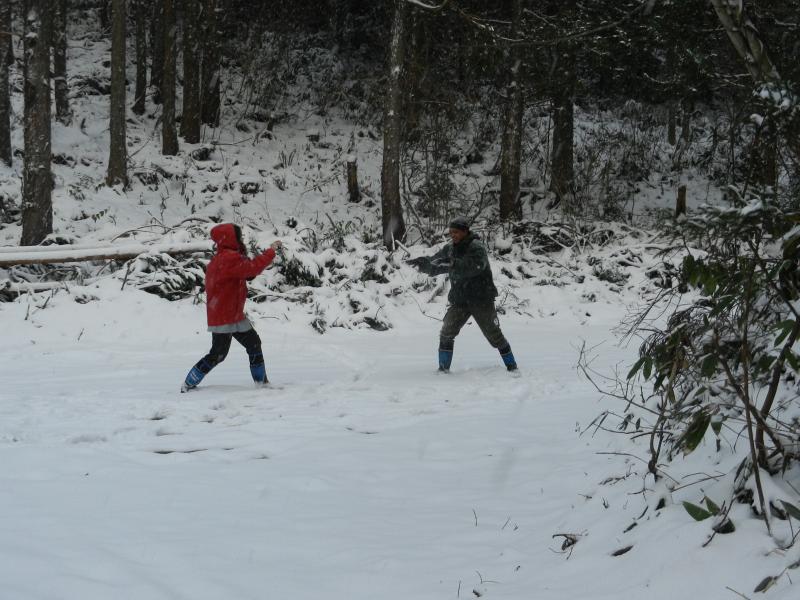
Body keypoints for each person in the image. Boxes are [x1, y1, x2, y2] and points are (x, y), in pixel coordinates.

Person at [407, 216, 518, 373]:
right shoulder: (450, 248)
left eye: (456, 232)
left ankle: (512, 366)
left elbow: (475, 267)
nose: (453, 235)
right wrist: (423, 264)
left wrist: (452, 264)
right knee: (446, 332)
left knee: (494, 336)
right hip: (460, 300)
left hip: (481, 299)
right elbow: (436, 263)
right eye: (451, 232)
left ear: (465, 232)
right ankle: (443, 370)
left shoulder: (477, 247)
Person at [181, 223, 282, 392]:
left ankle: (262, 384)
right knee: (218, 354)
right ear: (231, 239)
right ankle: (188, 384)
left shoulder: (226, 257)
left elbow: (247, 273)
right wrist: (270, 251)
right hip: (223, 315)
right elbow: (252, 268)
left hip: (233, 314)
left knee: (254, 344)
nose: (241, 239)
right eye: (239, 236)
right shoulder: (228, 259)